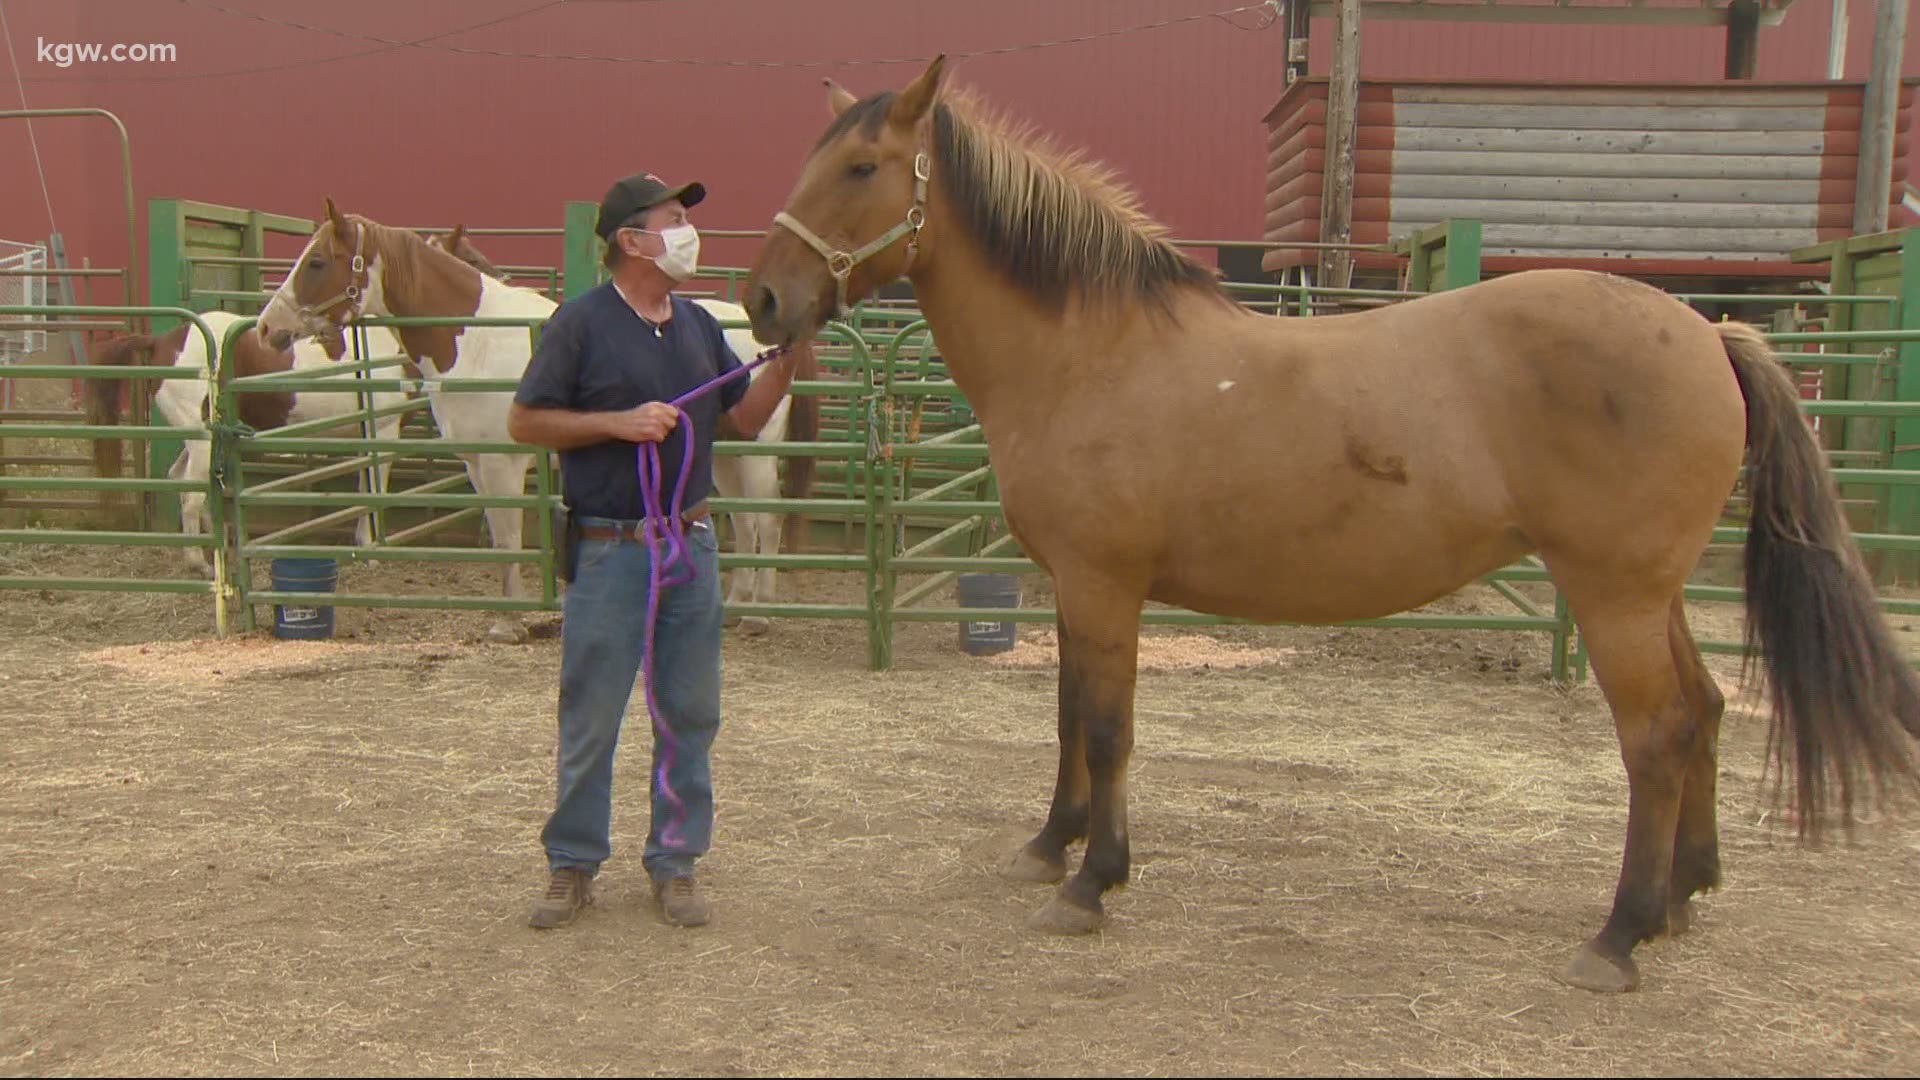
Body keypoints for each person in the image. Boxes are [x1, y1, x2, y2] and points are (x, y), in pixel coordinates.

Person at [507, 171, 801, 929]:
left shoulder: (700, 325)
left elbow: (741, 419)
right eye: (673, 219)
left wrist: (787, 361)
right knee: (593, 713)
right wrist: (617, 424)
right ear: (630, 241)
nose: (687, 232)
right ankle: (572, 862)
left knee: (689, 712)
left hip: (690, 546)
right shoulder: (580, 325)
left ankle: (675, 861)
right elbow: (527, 422)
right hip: (611, 548)